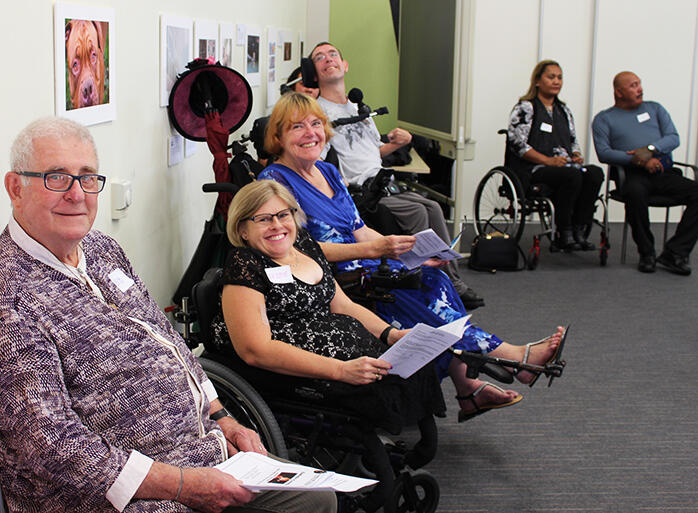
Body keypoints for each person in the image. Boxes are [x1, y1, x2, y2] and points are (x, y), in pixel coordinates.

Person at [0, 117, 336, 513]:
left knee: (318, 498)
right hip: (127, 499)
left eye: (88, 178)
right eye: (57, 178)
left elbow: (164, 334)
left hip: (200, 454)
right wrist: (182, 485)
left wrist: (220, 414)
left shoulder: (101, 249)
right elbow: (53, 446)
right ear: (15, 188)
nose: (77, 194)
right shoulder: (9, 304)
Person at [257, 92, 567, 423]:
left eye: (316, 124)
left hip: (368, 261)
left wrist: (410, 253)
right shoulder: (274, 182)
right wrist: (378, 250)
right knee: (420, 292)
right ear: (278, 137)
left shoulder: (329, 172)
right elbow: (297, 252)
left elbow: (360, 229)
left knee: (435, 277)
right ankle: (510, 359)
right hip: (331, 276)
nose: (310, 133)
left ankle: (467, 385)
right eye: (297, 127)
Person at [212, 179, 442, 458]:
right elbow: (255, 350)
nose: (277, 225)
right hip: (296, 372)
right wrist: (339, 370)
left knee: (412, 364)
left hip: (347, 355)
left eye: (284, 215)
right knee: (378, 388)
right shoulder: (244, 265)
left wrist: (389, 334)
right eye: (263, 219)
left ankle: (416, 450)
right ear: (242, 230)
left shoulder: (305, 246)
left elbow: (343, 304)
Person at [310, 42, 485, 310]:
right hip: (362, 192)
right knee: (417, 214)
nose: (327, 59)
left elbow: (373, 152)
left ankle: (451, 280)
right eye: (319, 58)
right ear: (315, 72)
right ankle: (434, 285)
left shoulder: (359, 107)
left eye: (333, 54)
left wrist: (397, 143)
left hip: (383, 182)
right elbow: (317, 159)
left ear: (344, 65)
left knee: (434, 207)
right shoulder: (318, 113)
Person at [592, 71, 698, 275]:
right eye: (633, 85)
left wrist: (649, 150)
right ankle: (647, 253)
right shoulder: (604, 119)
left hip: (663, 173)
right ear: (619, 92)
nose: (639, 89)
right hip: (632, 175)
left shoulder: (655, 109)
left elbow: (673, 138)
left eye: (639, 84)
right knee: (635, 193)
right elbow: (604, 153)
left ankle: (675, 253)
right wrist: (638, 160)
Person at [507, 60, 604, 251]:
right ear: (537, 81)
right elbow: (517, 144)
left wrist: (576, 154)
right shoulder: (525, 108)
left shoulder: (564, 111)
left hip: (563, 166)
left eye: (559, 77)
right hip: (534, 169)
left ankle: (579, 229)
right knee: (572, 176)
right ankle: (564, 231)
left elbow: (573, 140)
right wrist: (548, 161)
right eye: (551, 77)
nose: (556, 81)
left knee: (595, 173)